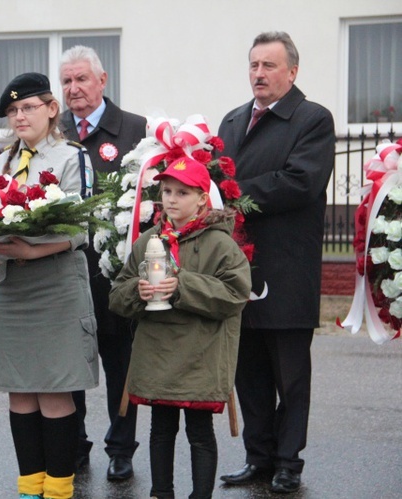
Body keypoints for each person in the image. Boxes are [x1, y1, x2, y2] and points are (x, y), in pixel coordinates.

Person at [216, 32, 335, 494]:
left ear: (292, 72)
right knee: (249, 372)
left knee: (291, 375)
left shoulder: (312, 119)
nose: (259, 74)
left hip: (286, 269)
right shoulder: (232, 120)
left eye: (269, 65)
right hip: (236, 270)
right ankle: (258, 457)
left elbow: (300, 182)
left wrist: (234, 199)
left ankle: (289, 462)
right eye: (253, 65)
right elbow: (212, 176)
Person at [0, 72, 99, 499]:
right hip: (13, 286)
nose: (19, 117)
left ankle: (59, 490)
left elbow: (82, 225)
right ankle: (30, 489)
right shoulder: (2, 163)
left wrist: (33, 251)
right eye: (12, 111)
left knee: (53, 390)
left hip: (55, 285)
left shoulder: (72, 156)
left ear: (52, 109)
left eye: (28, 107)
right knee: (20, 391)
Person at [108, 157, 251, 499]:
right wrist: (136, 292)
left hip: (199, 353)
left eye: (182, 193)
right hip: (158, 351)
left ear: (203, 197)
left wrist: (182, 285)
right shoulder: (149, 241)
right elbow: (118, 293)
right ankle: (162, 493)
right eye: (166, 191)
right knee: (161, 429)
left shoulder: (220, 244)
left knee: (199, 432)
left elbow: (236, 294)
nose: (171, 199)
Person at [58, 44, 147, 480]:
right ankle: (73, 444)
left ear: (102, 80)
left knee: (119, 362)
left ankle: (121, 447)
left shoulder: (133, 128)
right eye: (67, 82)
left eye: (82, 79)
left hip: (115, 274)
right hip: (64, 271)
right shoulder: (51, 130)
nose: (74, 89)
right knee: (70, 364)